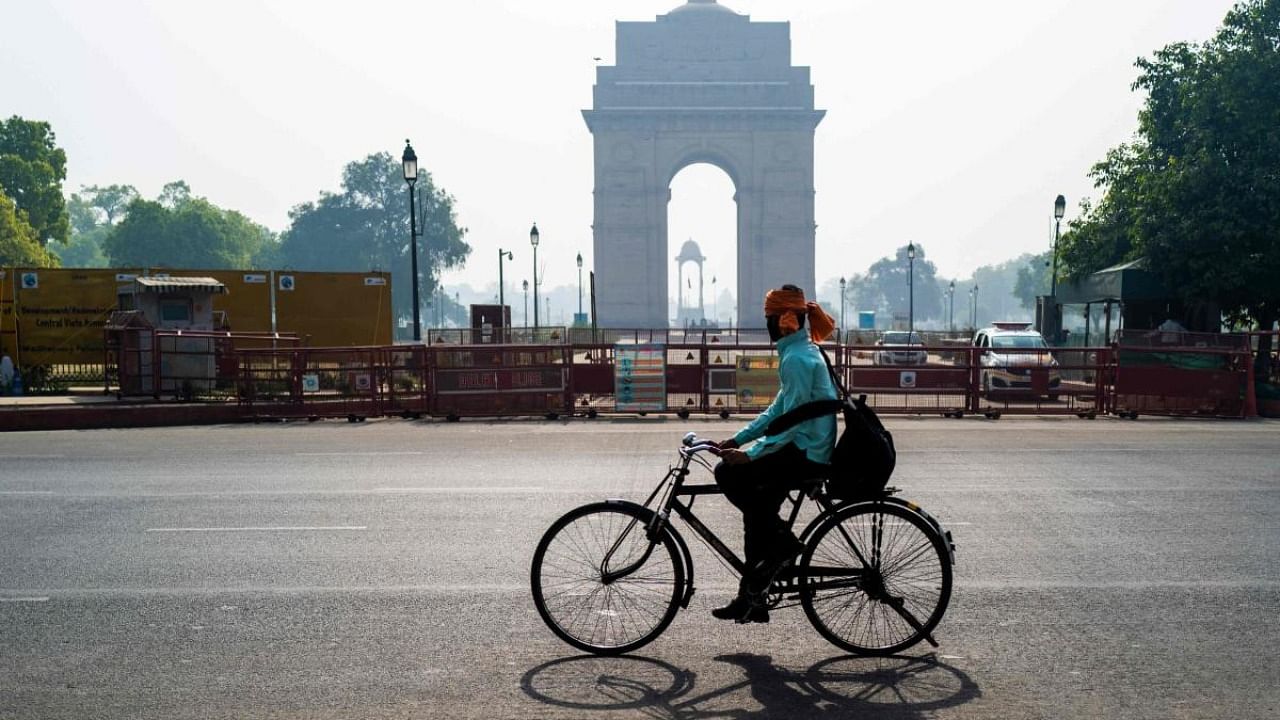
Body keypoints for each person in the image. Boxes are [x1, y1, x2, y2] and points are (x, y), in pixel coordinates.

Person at [711, 284, 838, 623]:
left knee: (727, 474)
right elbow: (779, 411)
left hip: (805, 450)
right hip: (805, 445)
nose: (765, 324)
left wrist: (751, 455)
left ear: (783, 320)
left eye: (768, 318)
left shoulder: (796, 358)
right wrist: (739, 438)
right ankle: (752, 596)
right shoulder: (798, 352)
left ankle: (784, 544)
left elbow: (791, 423)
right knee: (756, 515)